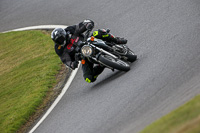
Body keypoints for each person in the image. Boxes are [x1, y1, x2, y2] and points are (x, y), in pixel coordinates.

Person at [51, 20, 127, 83]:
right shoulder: (59, 49)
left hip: (88, 41)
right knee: (88, 78)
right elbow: (66, 60)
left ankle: (117, 40)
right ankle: (103, 64)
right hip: (84, 55)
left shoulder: (70, 30)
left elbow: (83, 24)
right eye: (58, 41)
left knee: (98, 33)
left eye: (60, 39)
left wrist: (88, 25)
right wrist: (72, 64)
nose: (60, 41)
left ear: (64, 34)